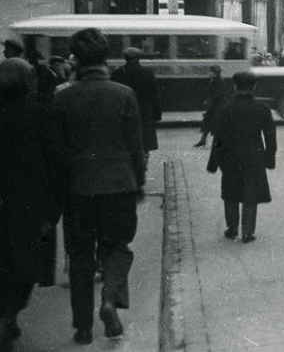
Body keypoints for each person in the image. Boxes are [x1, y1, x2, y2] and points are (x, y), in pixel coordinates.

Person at [52, 28, 146, 345]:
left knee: (80, 256)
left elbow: (58, 150)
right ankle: (110, 300)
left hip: (77, 189)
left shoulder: (62, 97)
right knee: (117, 247)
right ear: (107, 59)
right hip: (119, 185)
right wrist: (139, 182)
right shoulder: (123, 94)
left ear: (76, 60)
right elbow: (136, 146)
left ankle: (83, 327)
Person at [0, 58, 68, 350]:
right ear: (29, 83)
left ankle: (5, 315)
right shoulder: (43, 115)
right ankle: (10, 314)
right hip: (33, 208)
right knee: (27, 265)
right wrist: (55, 206)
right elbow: (58, 163)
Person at [207, 72, 277, 244]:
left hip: (230, 158)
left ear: (235, 87)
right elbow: (270, 136)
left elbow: (218, 138)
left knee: (230, 193)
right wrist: (269, 159)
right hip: (254, 157)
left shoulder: (226, 108)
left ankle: (231, 229)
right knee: (250, 194)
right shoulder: (262, 108)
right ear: (253, 87)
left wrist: (213, 163)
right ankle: (247, 232)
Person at [110, 47, 162, 160]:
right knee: (144, 143)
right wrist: (157, 114)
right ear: (139, 58)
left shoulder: (117, 73)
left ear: (125, 58)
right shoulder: (147, 73)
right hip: (143, 112)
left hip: (123, 111)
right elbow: (154, 96)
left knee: (125, 142)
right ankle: (143, 166)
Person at [194, 65, 226, 147]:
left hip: (217, 106)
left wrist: (210, 100)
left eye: (210, 72)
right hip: (214, 106)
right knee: (208, 123)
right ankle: (203, 140)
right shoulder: (215, 80)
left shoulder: (218, 81)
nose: (209, 73)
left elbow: (218, 94)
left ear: (215, 73)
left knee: (214, 124)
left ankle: (213, 141)